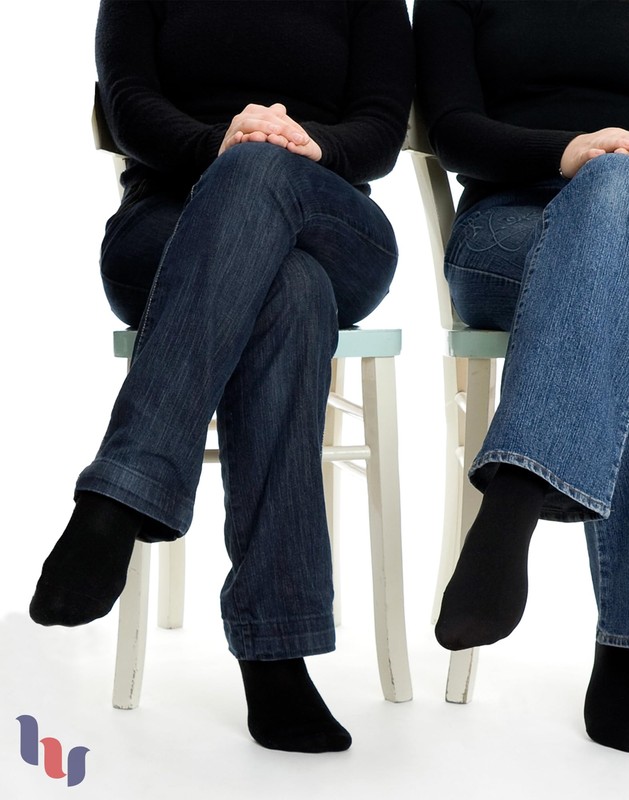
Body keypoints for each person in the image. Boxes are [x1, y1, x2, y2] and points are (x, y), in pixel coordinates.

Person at [29, 0, 413, 754]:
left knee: (266, 182)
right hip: (166, 229)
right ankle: (276, 655)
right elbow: (129, 105)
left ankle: (122, 492)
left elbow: (379, 127)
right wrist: (222, 143)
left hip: (330, 218)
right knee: (291, 292)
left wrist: (298, 146)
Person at [414, 0, 629, 754]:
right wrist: (570, 153)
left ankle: (516, 494)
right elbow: (450, 127)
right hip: (506, 232)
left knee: (617, 202)